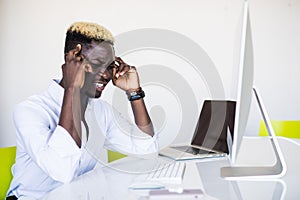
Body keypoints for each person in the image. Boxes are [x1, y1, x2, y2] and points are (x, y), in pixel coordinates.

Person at [6, 22, 158, 200]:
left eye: (109, 65)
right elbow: (62, 171)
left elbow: (147, 148)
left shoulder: (101, 112)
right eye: (96, 63)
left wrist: (134, 93)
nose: (107, 75)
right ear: (71, 61)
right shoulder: (31, 111)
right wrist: (72, 88)